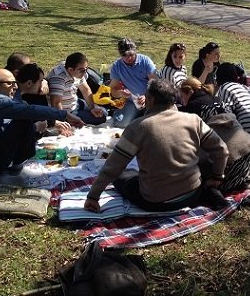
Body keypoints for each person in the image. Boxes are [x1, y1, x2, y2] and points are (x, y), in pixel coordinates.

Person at [84, 79, 229, 213]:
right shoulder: (193, 120)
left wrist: (93, 196)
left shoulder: (138, 127)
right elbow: (221, 149)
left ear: (150, 100)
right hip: (192, 194)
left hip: (157, 202)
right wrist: (217, 176)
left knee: (122, 176)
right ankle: (211, 192)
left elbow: (113, 167)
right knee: (199, 160)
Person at [0, 69, 84, 185]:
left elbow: (2, 126)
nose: (15, 87)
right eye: (9, 83)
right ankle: (14, 171)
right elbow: (27, 111)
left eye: (15, 83)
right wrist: (64, 115)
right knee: (24, 122)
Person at [204, 112, 250, 193]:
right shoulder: (234, 122)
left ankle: (242, 182)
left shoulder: (209, 130)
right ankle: (249, 177)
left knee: (209, 186)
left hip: (233, 168)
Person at [47, 52, 107, 125]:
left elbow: (85, 89)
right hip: (66, 111)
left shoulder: (77, 72)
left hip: (75, 103)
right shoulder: (58, 78)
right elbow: (56, 103)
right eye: (82, 70)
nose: (85, 73)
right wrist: (64, 120)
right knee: (101, 118)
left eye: (86, 69)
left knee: (103, 112)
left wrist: (92, 107)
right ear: (70, 70)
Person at [109, 38, 158, 128]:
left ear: (135, 51)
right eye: (124, 55)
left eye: (131, 54)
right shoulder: (116, 66)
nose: (129, 58)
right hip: (132, 101)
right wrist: (120, 93)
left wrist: (147, 96)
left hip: (150, 99)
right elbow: (113, 91)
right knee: (122, 124)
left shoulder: (145, 61)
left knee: (153, 123)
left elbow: (155, 83)